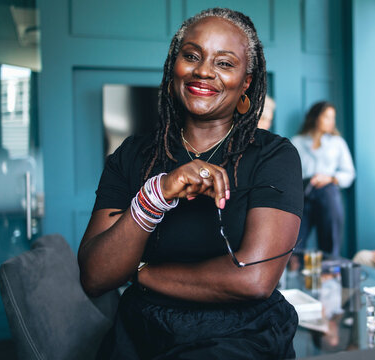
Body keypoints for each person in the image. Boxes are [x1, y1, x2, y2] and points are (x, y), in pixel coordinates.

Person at [78, 8, 304, 359]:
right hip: (141, 334)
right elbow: (95, 276)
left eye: (225, 63)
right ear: (174, 67)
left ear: (246, 82)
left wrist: (140, 272)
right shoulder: (133, 155)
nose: (203, 71)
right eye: (192, 56)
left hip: (240, 336)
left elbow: (254, 279)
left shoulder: (273, 156)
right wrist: (156, 195)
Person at [291, 101, 355, 257]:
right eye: (327, 117)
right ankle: (293, 270)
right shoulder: (296, 142)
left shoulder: (337, 143)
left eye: (333, 117)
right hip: (302, 194)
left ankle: (330, 269)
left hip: (327, 192)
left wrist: (330, 178)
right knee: (295, 239)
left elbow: (349, 173)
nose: (331, 121)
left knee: (330, 236)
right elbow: (289, 173)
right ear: (315, 117)